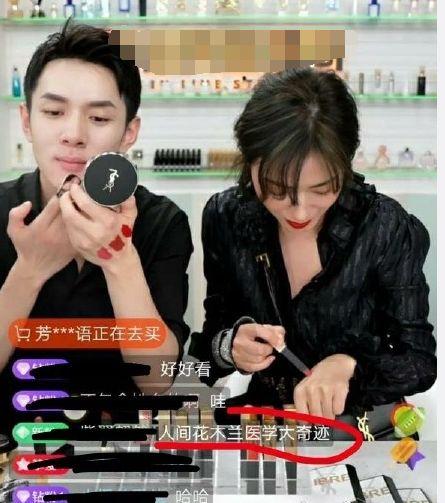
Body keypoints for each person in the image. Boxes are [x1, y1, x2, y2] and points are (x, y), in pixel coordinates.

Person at [189, 68, 436, 425]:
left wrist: (348, 364)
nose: (299, 211)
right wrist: (230, 346)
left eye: (321, 190)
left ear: (345, 164)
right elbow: (212, 340)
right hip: (271, 426)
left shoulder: (383, 226)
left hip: (362, 427)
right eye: (276, 190)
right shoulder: (226, 217)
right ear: (249, 161)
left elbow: (419, 360)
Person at [0, 20, 193, 433]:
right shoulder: (3, 211)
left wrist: (119, 259)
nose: (73, 134)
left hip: (117, 448)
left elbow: (157, 381)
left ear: (129, 132)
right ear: (27, 121)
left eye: (99, 117)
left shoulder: (162, 222)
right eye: (54, 112)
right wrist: (30, 270)